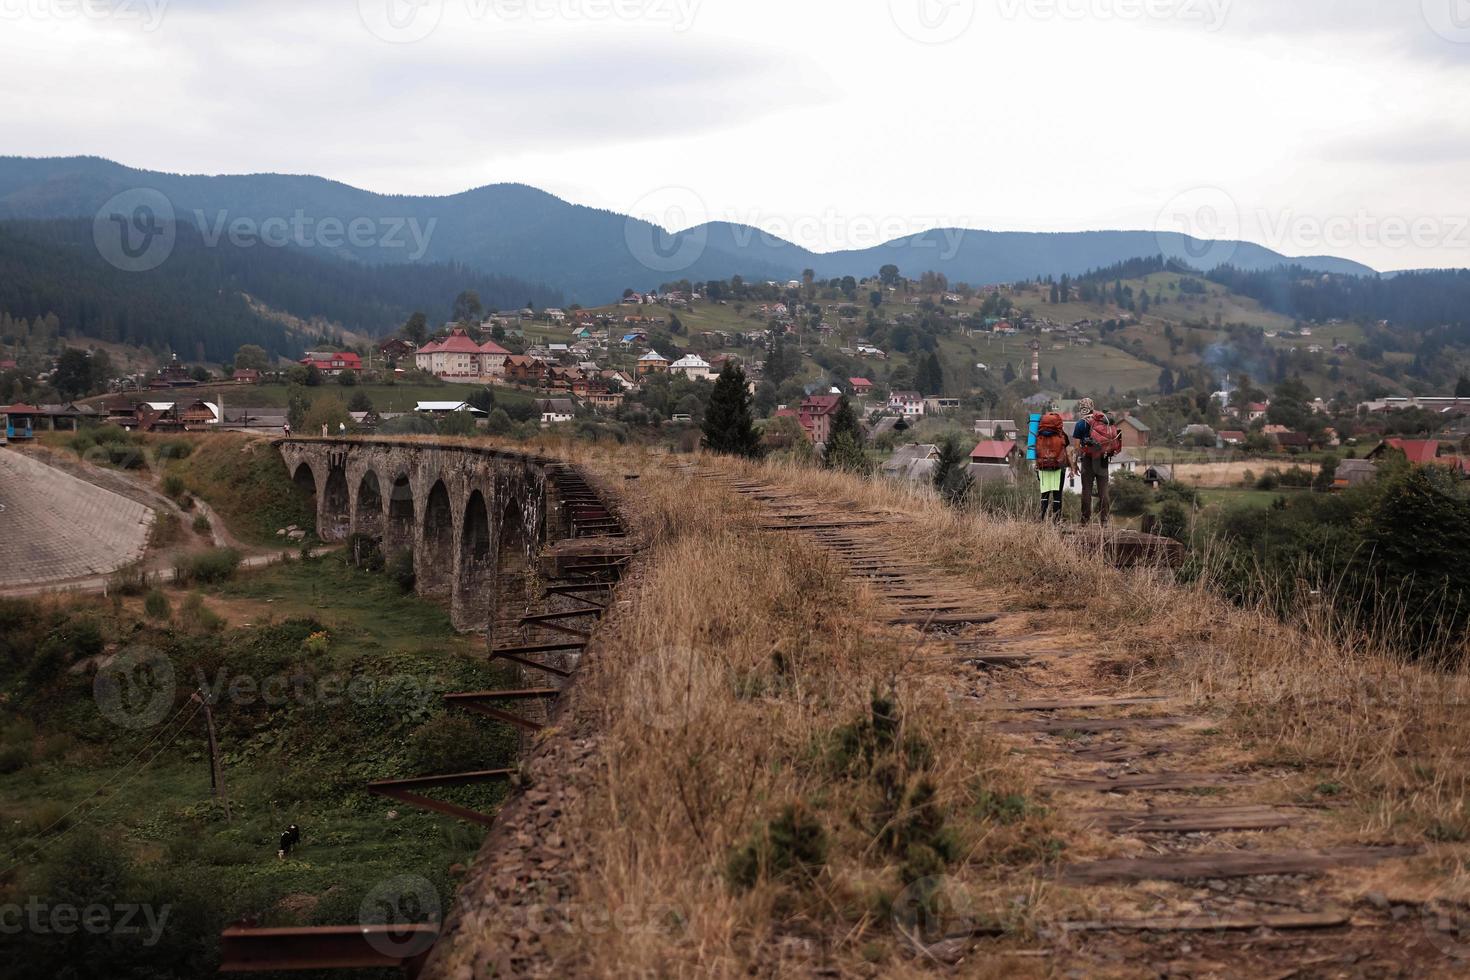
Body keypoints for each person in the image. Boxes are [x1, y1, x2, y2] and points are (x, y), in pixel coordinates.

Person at [1072, 398, 1120, 526]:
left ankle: (1085, 520)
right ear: (1093, 407)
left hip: (1088, 459)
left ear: (1080, 408)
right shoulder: (1104, 421)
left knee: (1086, 490)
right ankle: (1104, 520)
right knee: (1103, 491)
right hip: (1103, 459)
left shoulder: (1080, 424)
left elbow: (1076, 447)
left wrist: (1074, 464)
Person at [1034, 411, 1076, 521]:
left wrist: (1036, 464)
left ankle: (1041, 518)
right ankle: (1056, 520)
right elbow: (1068, 453)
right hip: (1059, 467)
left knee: (1044, 494)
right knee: (1057, 495)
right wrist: (1072, 467)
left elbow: (1036, 451)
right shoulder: (1062, 435)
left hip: (1043, 467)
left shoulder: (1039, 435)